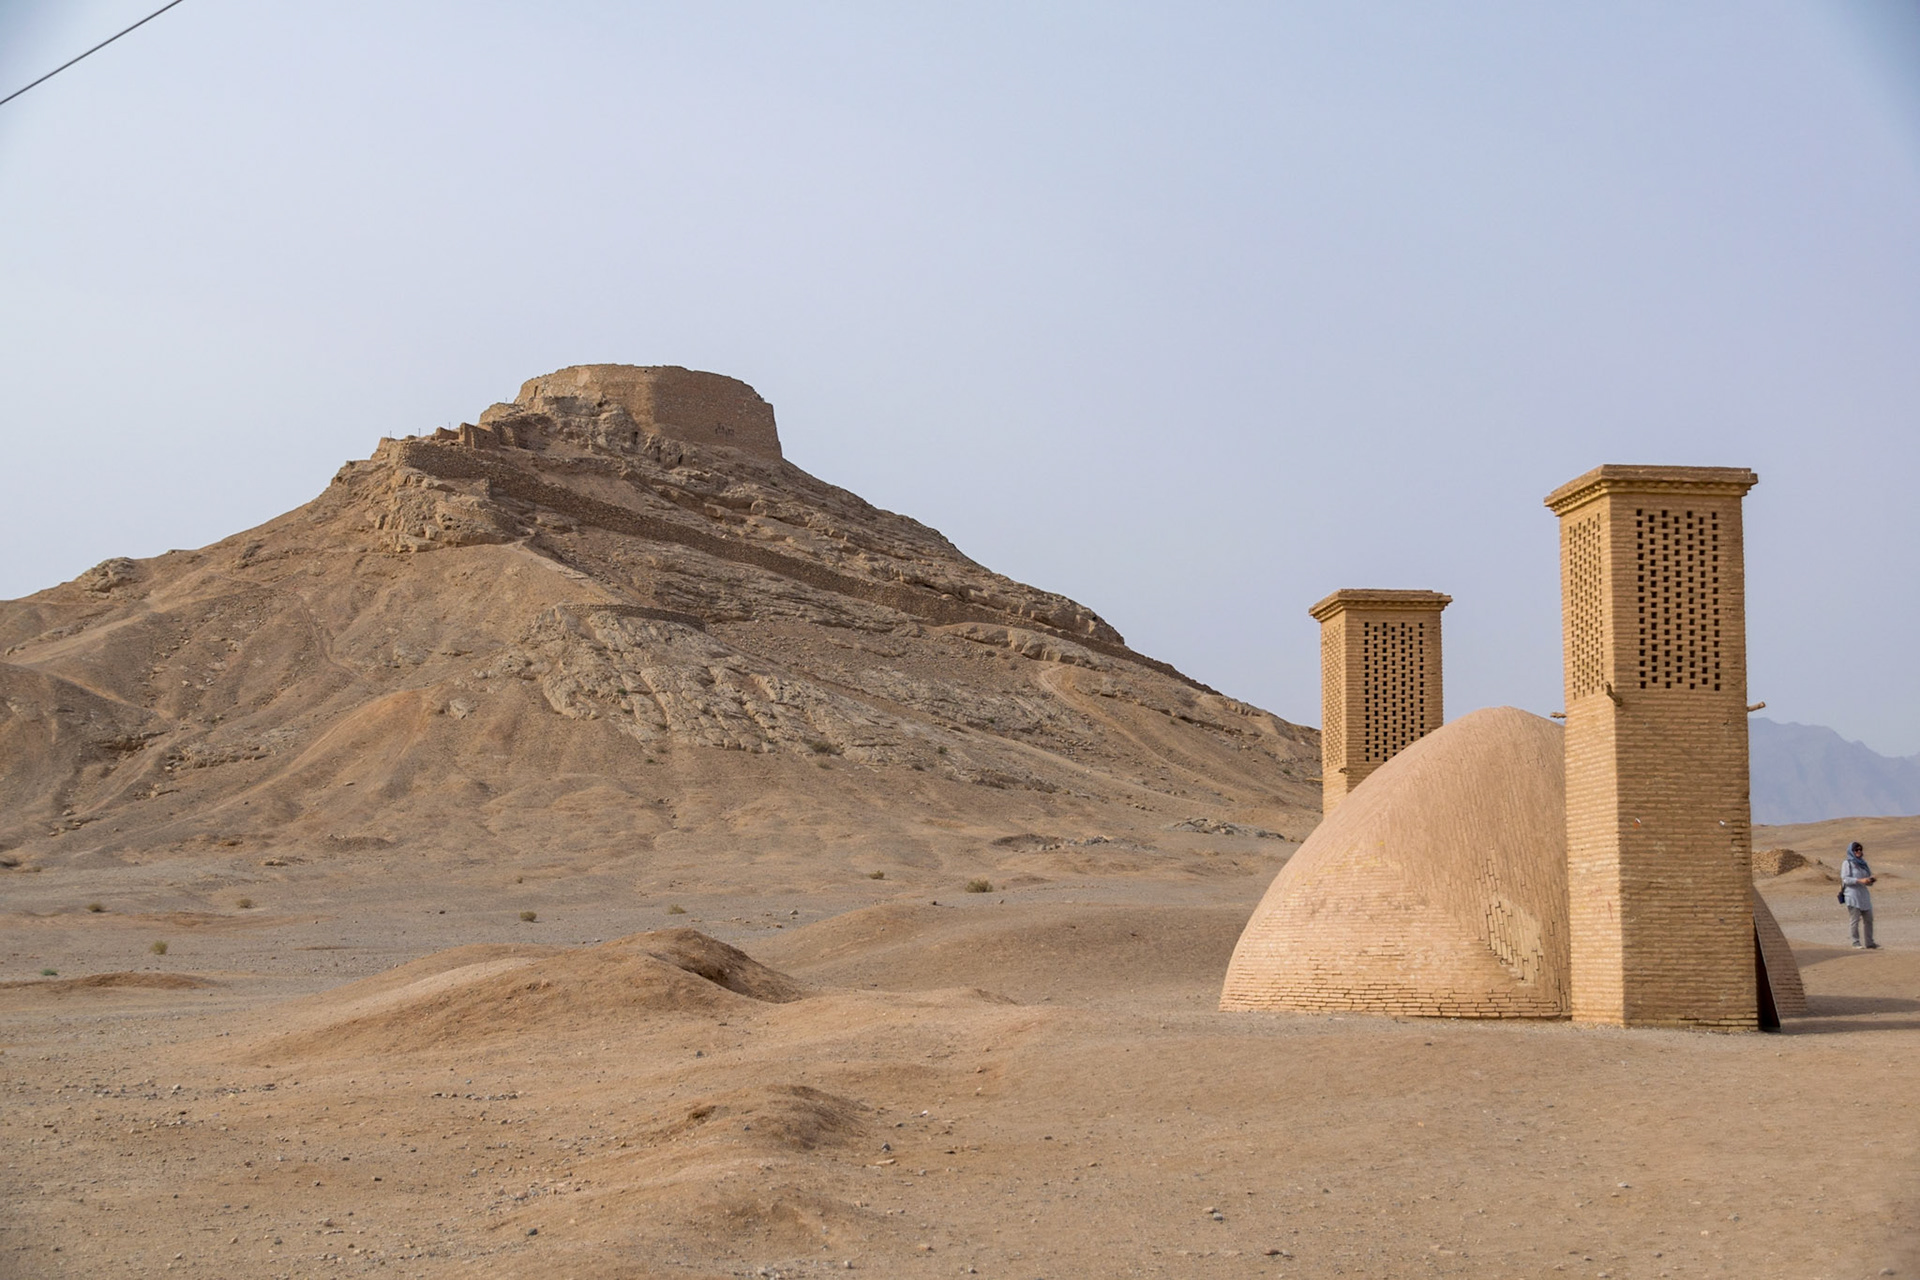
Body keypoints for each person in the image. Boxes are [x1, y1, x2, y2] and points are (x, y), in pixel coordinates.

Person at [1841, 841, 1877, 950]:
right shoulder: (1847, 863)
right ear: (1851, 851)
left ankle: (1870, 943)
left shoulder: (1863, 864)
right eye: (1856, 850)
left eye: (1860, 849)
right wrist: (1860, 880)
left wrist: (1870, 880)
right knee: (1855, 920)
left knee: (1869, 919)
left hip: (1863, 895)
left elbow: (1867, 880)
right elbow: (1845, 879)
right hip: (1852, 895)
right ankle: (1855, 942)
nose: (1859, 851)